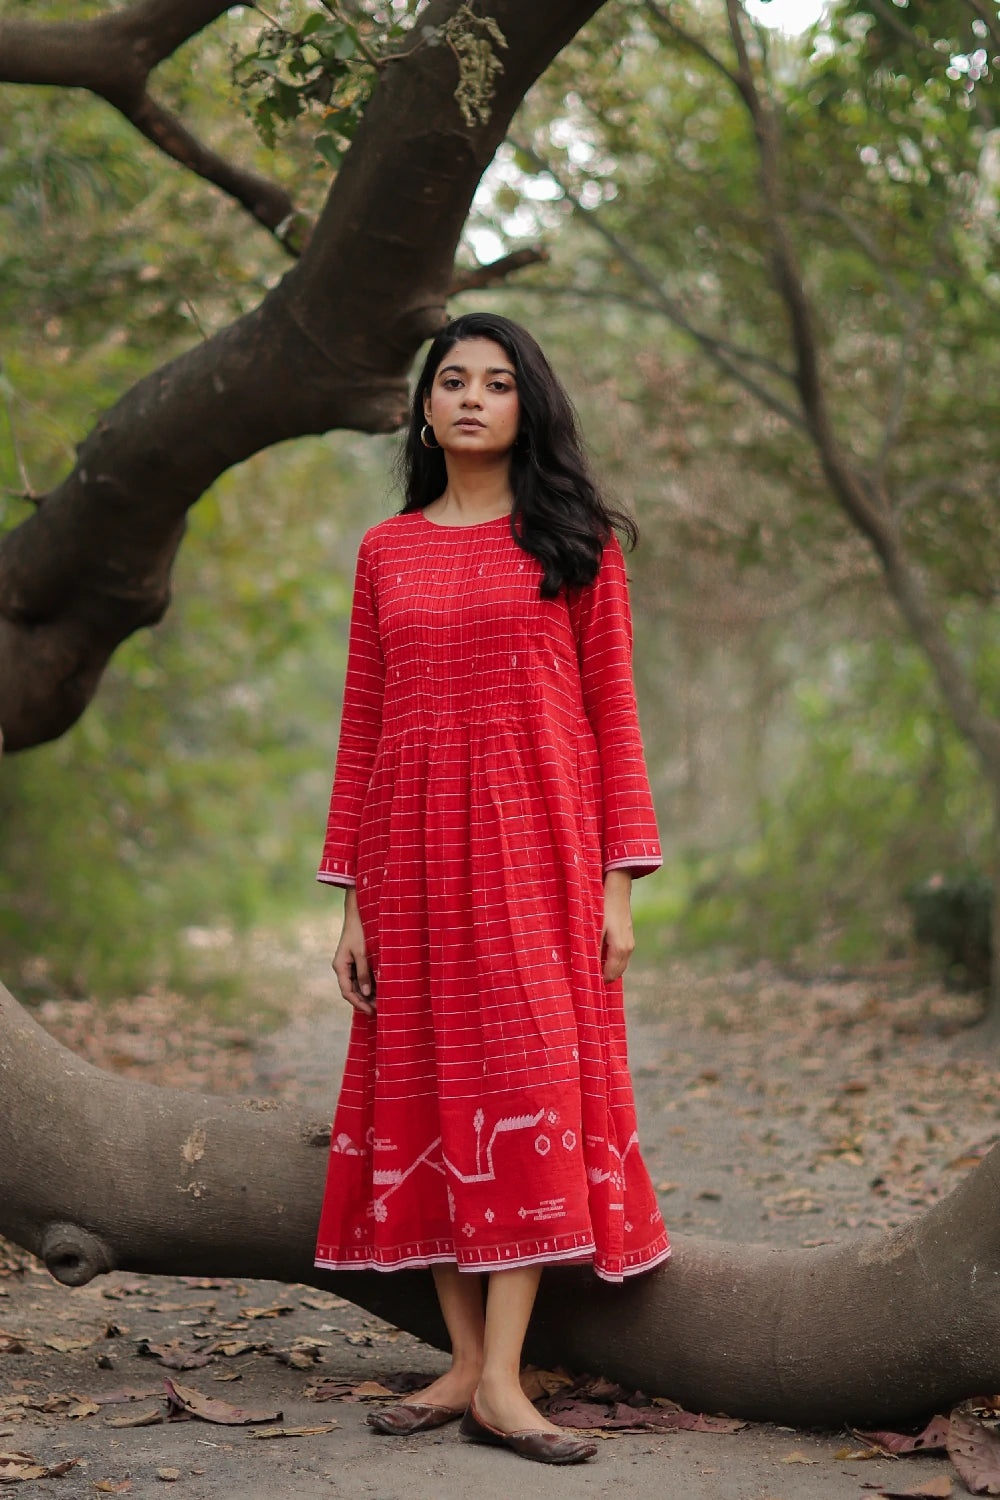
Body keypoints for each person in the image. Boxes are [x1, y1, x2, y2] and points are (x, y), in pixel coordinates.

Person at [314, 312, 669, 1466]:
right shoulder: (386, 551)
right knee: (423, 1083)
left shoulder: (574, 541)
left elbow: (613, 716)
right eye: (451, 380)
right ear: (424, 409)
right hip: (410, 861)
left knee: (524, 1084)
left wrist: (619, 884)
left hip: (540, 856)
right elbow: (363, 729)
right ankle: (464, 1363)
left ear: (529, 406)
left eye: (497, 381)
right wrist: (353, 902)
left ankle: (507, 1380)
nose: (471, 397)